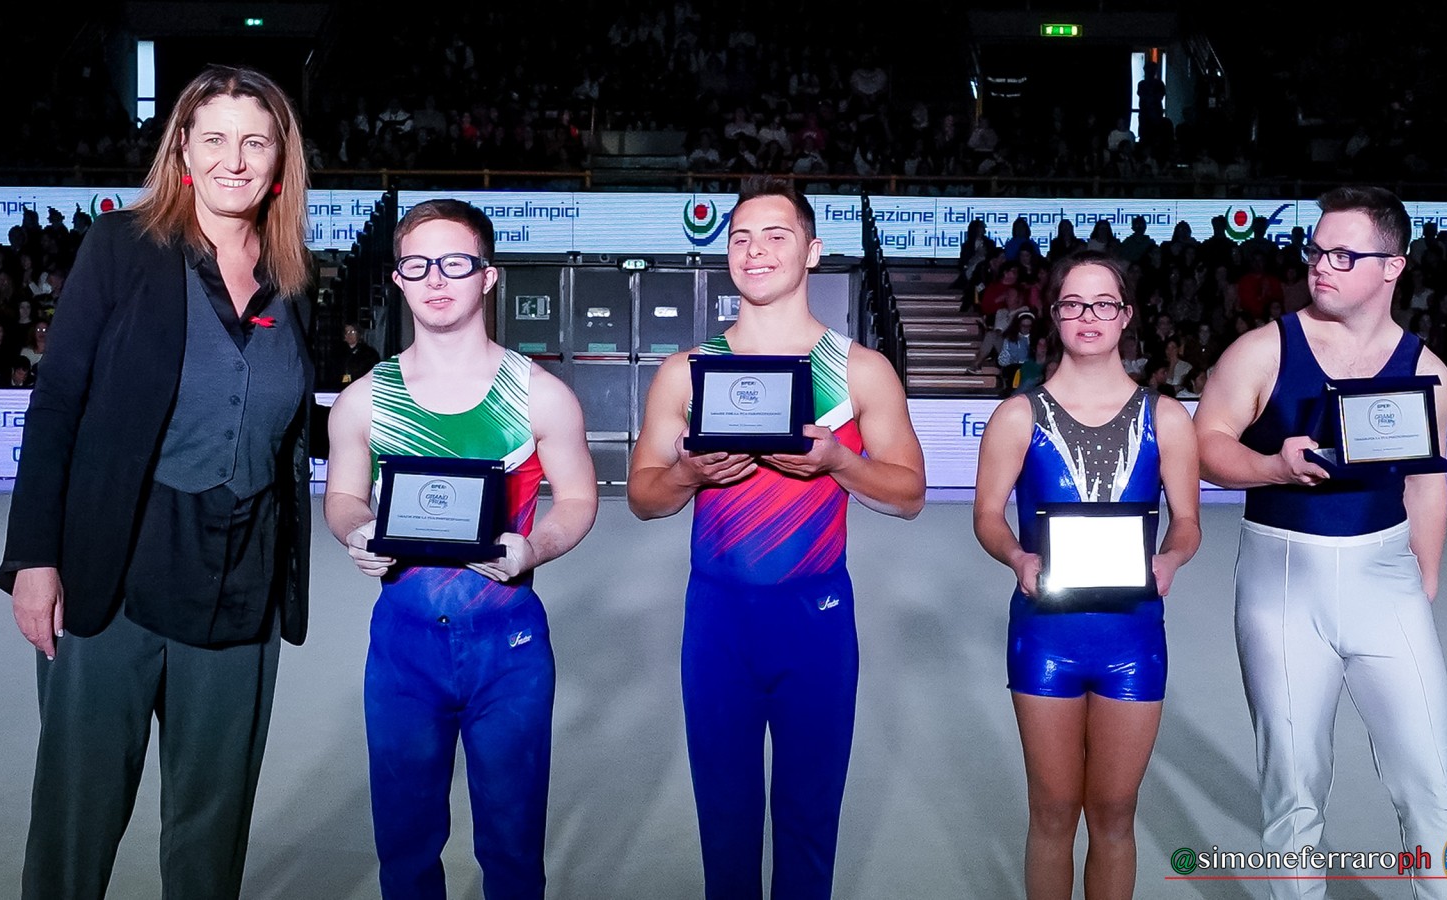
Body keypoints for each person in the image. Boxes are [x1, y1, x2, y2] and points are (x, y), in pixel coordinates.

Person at [0, 64, 316, 900]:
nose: (234, 160)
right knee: (79, 815)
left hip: (241, 584)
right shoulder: (122, 247)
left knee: (213, 828)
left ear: (281, 158)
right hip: (115, 573)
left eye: (255, 141)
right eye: (215, 139)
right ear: (182, 150)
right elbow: (57, 403)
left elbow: (287, 430)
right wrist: (33, 558)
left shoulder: (295, 277)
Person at [628, 178, 926, 900]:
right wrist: (689, 473)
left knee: (808, 822)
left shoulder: (859, 371)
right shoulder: (687, 372)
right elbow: (642, 496)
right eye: (741, 238)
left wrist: (840, 462)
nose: (754, 251)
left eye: (775, 236)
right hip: (718, 623)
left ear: (812, 251)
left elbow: (910, 494)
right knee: (724, 824)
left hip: (815, 621)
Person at [1193, 186, 1447, 900]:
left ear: (1392, 267)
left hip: (1388, 580)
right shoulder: (1262, 351)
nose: (1321, 264)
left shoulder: (1429, 373)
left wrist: (1423, 584)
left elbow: (1427, 483)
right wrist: (1272, 467)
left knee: (1433, 778)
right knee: (1293, 786)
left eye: (1344, 255)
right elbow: (1205, 445)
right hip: (1282, 578)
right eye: (1316, 250)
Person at [324, 199, 598, 899]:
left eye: (455, 262)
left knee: (513, 845)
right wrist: (356, 530)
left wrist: (534, 548)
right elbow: (344, 497)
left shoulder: (540, 396)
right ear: (397, 279)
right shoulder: (364, 401)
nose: (436, 278)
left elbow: (577, 500)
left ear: (488, 276)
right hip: (403, 647)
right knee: (404, 845)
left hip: (508, 644)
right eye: (417, 265)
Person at [973, 250, 1200, 900]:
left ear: (1126, 315)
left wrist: (1170, 558)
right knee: (1051, 812)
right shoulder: (1018, 415)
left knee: (1115, 814)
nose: (1088, 316)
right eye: (1074, 303)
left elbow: (1188, 522)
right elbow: (987, 516)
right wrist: (1017, 557)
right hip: (1045, 637)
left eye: (1104, 303)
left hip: (1133, 639)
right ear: (1055, 313)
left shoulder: (1166, 417)